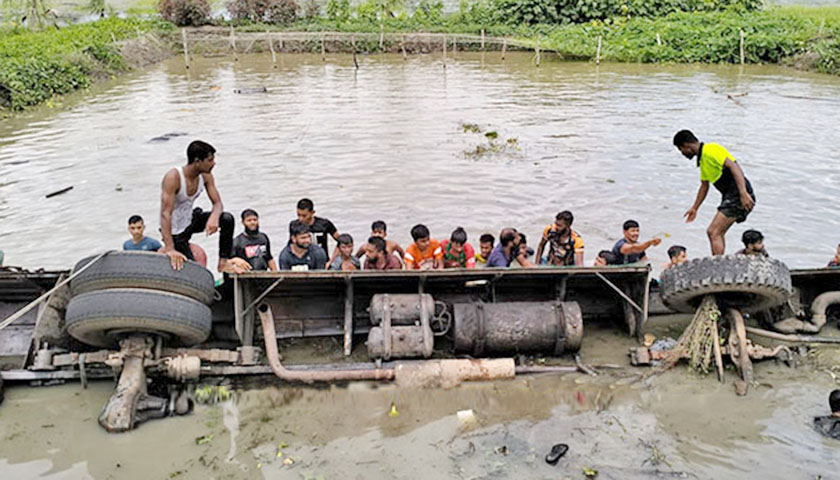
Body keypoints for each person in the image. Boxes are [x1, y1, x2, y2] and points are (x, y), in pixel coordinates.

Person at [159, 140, 249, 273]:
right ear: (197, 161)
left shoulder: (206, 176)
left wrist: (214, 216)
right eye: (210, 160)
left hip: (190, 220)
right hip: (175, 232)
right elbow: (165, 214)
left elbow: (217, 203)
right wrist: (170, 248)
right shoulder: (174, 177)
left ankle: (223, 263)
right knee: (194, 271)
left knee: (226, 219)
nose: (214, 163)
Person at [675, 130, 756, 255]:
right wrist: (695, 208)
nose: (682, 153)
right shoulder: (703, 161)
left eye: (681, 150)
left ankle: (718, 266)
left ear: (686, 145)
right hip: (731, 196)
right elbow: (704, 187)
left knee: (714, 232)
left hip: (738, 195)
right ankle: (719, 263)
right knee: (717, 232)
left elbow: (734, 167)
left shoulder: (711, 149)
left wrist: (743, 193)